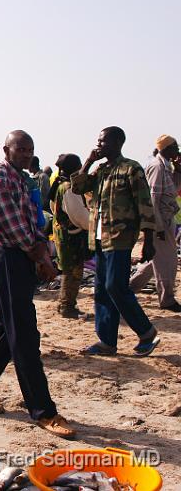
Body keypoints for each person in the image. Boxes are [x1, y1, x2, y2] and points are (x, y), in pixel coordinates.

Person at [0, 130, 75, 439]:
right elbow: (15, 229)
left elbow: (33, 221)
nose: (26, 153)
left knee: (4, 332)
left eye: (30, 149)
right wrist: (41, 257)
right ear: (6, 149)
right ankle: (44, 411)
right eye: (20, 149)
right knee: (24, 334)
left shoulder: (20, 179)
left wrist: (41, 254)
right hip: (10, 259)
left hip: (21, 258)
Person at [71, 126, 159, 356]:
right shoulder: (100, 170)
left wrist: (148, 239)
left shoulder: (131, 169)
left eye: (103, 141)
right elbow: (77, 187)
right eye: (98, 141)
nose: (99, 145)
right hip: (99, 238)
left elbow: (144, 204)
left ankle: (146, 333)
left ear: (117, 143)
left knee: (115, 286)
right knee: (101, 289)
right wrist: (88, 161)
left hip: (120, 238)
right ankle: (107, 341)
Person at [130, 135, 181, 311]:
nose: (177, 150)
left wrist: (178, 171)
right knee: (169, 261)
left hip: (167, 218)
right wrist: (156, 226)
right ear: (166, 148)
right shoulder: (157, 166)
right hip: (160, 221)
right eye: (175, 147)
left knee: (157, 260)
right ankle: (167, 299)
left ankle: (129, 289)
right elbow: (152, 199)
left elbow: (174, 190)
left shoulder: (167, 166)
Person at [49, 154, 90, 319]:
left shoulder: (58, 184)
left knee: (69, 270)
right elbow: (79, 215)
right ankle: (67, 306)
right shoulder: (68, 188)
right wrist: (92, 224)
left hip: (62, 233)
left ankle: (64, 303)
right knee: (73, 272)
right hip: (71, 236)